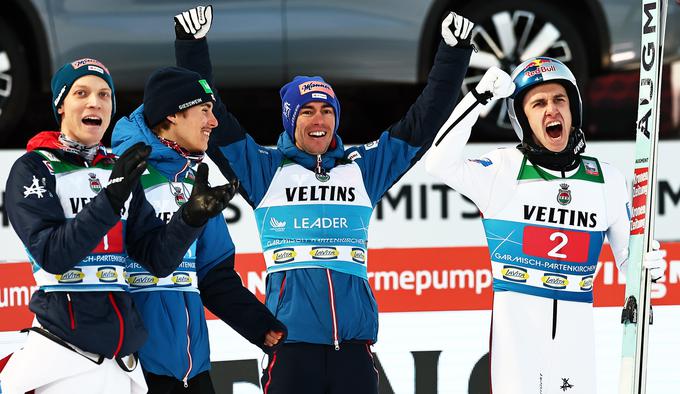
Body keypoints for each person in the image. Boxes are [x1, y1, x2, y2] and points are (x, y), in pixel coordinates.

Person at [173, 5, 475, 393]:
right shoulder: (264, 170)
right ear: (289, 119)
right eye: (308, 111)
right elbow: (215, 121)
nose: (319, 120)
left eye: (327, 111)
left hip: (354, 348)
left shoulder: (363, 168)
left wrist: (454, 52)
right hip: (292, 349)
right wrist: (191, 47)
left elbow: (423, 122)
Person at [425, 59, 668, 393]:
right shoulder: (502, 170)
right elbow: (437, 162)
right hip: (517, 345)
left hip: (576, 342)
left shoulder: (606, 179)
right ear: (523, 118)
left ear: (573, 110)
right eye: (538, 103)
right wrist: (478, 96)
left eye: (559, 100)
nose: (551, 110)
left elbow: (630, 262)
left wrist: (647, 268)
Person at [0, 57, 235, 394]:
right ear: (61, 107)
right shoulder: (35, 168)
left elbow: (157, 260)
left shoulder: (119, 169)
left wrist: (190, 219)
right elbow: (52, 254)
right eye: (81, 93)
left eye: (104, 95)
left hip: (121, 359)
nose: (95, 102)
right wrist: (110, 199)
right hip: (63, 355)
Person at [111, 42, 287, 393]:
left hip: (193, 369)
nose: (214, 121)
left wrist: (259, 326)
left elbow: (213, 274)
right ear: (173, 114)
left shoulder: (192, 178)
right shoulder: (123, 172)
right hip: (135, 370)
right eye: (205, 110)